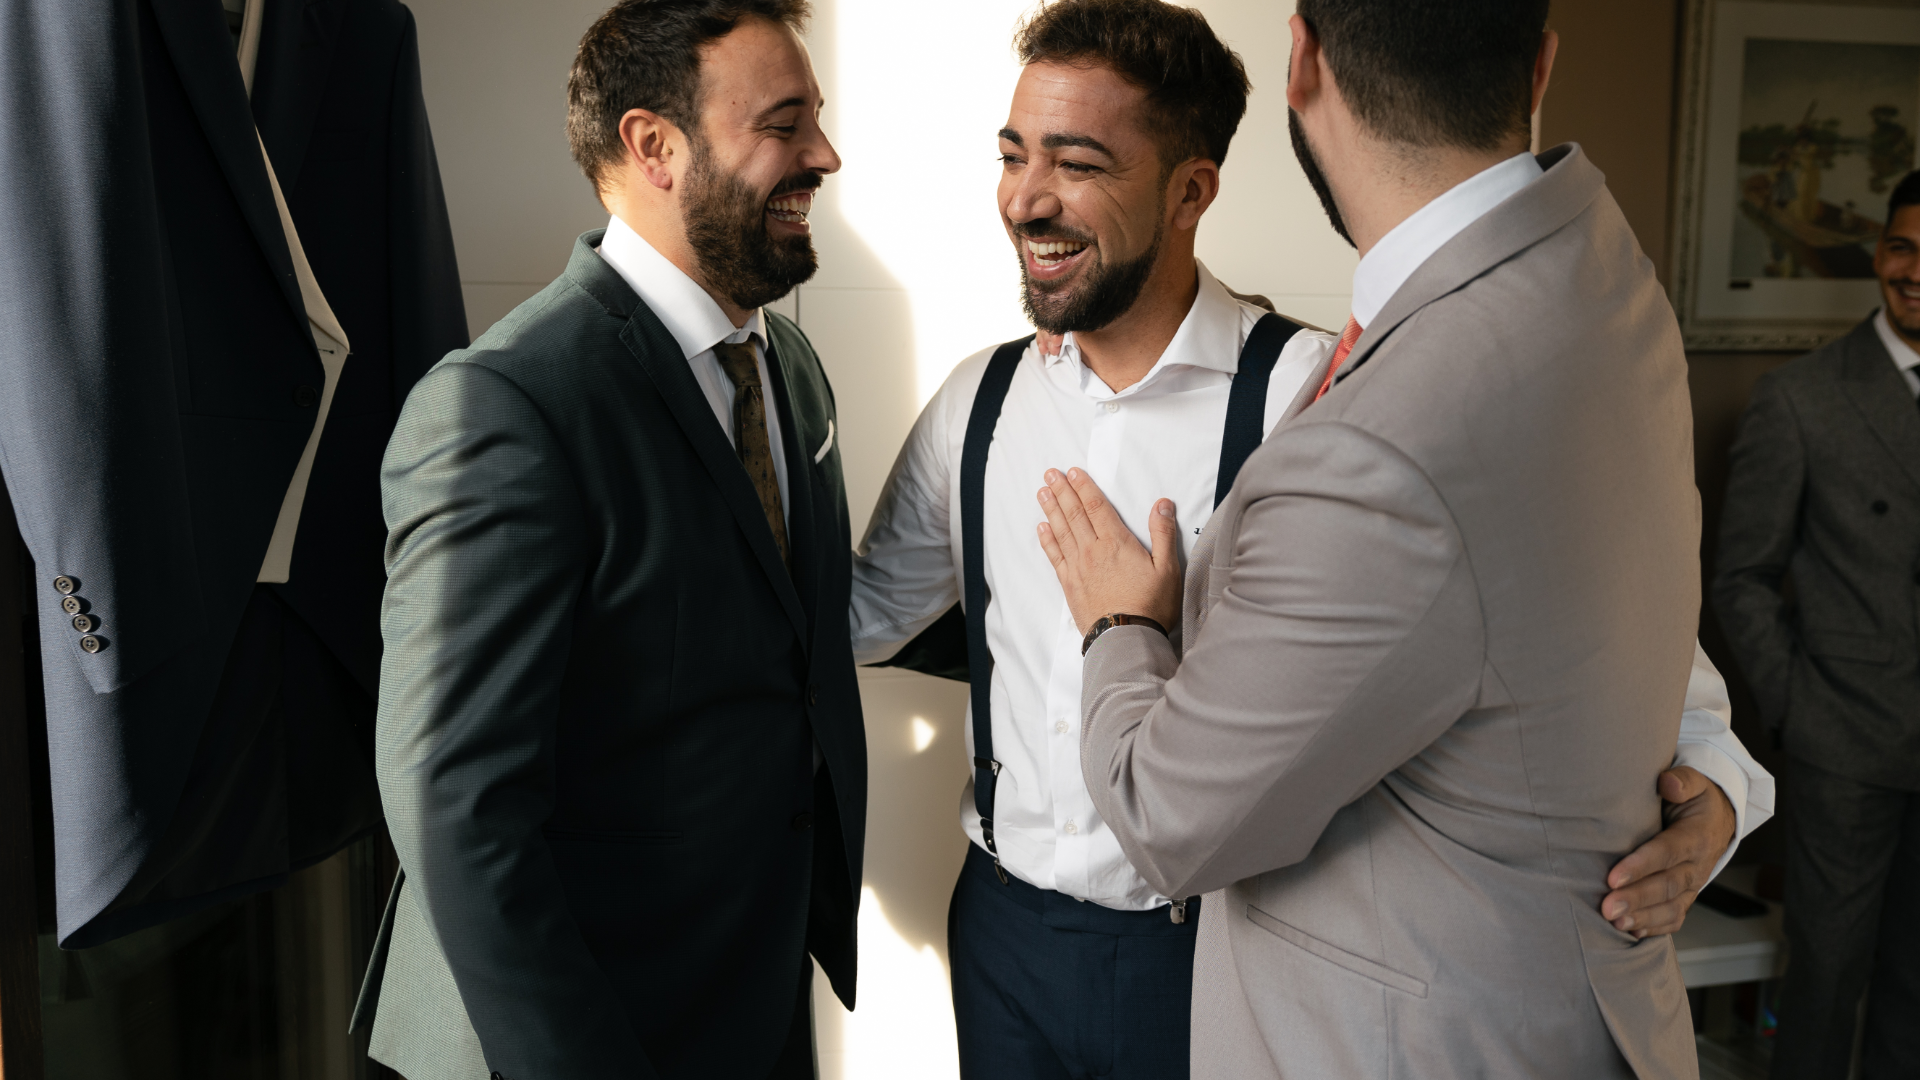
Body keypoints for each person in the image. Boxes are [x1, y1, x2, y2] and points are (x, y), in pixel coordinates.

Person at [853, 1, 1768, 1076]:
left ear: (1192, 189)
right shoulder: (975, 405)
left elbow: (1606, 634)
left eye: (1077, 161)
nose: (1025, 198)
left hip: (1202, 953)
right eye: (1012, 154)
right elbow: (855, 617)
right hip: (1005, 937)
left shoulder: (1321, 396)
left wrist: (1720, 787)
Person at [350, 2, 864, 1077]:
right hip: (570, 1034)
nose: (824, 154)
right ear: (653, 146)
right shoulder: (504, 407)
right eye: (784, 124)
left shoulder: (790, 373)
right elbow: (456, 815)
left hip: (748, 999)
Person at [1715, 170, 1920, 1080]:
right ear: (1879, 253)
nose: (1916, 272)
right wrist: (1799, 708)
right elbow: (1742, 576)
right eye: (1904, 246)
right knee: (1827, 980)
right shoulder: (1803, 398)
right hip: (1847, 745)